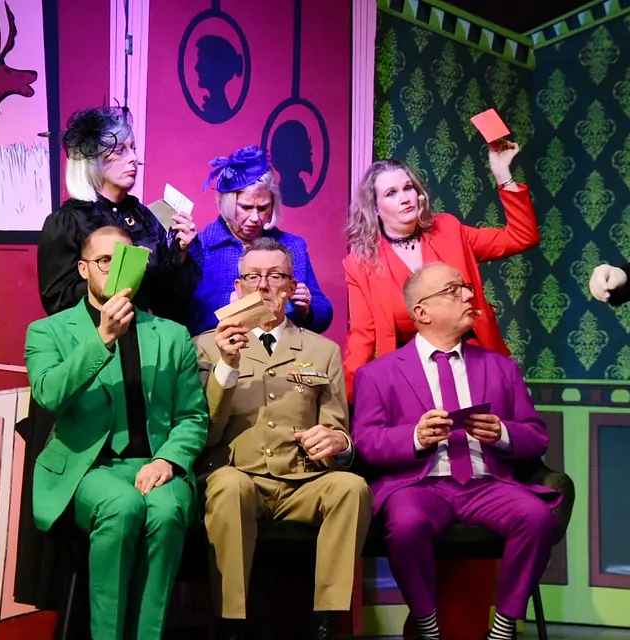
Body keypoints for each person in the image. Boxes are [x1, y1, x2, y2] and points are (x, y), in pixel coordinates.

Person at [351, 262, 561, 640]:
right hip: (419, 486)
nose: (467, 295)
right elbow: (365, 442)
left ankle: (503, 627)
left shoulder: (501, 368)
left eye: (465, 287)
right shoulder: (378, 374)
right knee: (407, 524)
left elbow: (537, 437)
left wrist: (502, 433)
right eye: (453, 290)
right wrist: (415, 437)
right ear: (422, 312)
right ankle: (427, 626)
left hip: (487, 484)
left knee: (537, 517)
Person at [24, 226, 209, 640]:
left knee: (166, 513)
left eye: (127, 260)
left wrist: (168, 459)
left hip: (156, 464)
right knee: (122, 507)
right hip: (88, 469)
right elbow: (49, 394)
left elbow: (192, 416)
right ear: (83, 268)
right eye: (105, 261)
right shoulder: (48, 331)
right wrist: (102, 337)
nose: (116, 269)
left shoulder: (172, 335)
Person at [193, 237, 372, 640]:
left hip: (302, 482)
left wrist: (339, 443)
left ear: (291, 287)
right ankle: (231, 622)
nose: (263, 285)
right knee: (228, 485)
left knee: (352, 488)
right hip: (240, 475)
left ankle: (328, 619)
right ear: (238, 287)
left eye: (275, 276)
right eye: (252, 277)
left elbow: (337, 426)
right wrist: (227, 366)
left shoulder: (323, 350)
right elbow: (204, 432)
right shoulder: (206, 346)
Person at [343, 141, 539, 400]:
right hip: (411, 380)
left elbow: (522, 236)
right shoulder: (360, 263)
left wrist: (503, 174)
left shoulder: (449, 229)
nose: (404, 198)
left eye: (408, 188)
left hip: (475, 364)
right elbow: (362, 337)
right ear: (375, 208)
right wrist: (346, 402)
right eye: (391, 193)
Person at [38, 106, 199, 323]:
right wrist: (123, 273)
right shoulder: (70, 221)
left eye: (133, 148)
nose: (134, 158)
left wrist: (180, 254)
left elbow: (167, 303)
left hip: (142, 334)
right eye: (120, 150)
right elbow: (57, 301)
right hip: (93, 336)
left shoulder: (144, 218)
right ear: (93, 160)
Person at [187, 144, 332, 336]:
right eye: (246, 207)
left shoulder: (293, 246)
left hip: (282, 350)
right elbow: (182, 315)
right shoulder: (201, 247)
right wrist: (228, 303)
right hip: (219, 349)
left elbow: (325, 311)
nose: (255, 218)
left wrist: (308, 309)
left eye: (263, 208)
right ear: (226, 203)